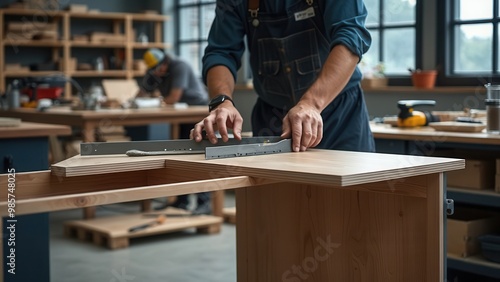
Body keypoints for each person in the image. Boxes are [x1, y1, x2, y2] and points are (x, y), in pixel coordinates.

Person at [191, 0, 375, 153]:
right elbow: (221, 52)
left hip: (339, 116)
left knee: (348, 196)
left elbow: (350, 36)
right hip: (273, 119)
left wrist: (311, 103)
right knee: (274, 195)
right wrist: (221, 102)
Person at [141, 48, 211, 215]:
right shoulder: (155, 72)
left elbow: (174, 97)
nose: (156, 72)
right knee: (181, 156)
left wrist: (153, 101)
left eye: (158, 68)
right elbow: (142, 92)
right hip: (180, 115)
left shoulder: (180, 66)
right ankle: (181, 201)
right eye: (153, 70)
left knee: (199, 158)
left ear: (165, 62)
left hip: (197, 112)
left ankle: (204, 202)